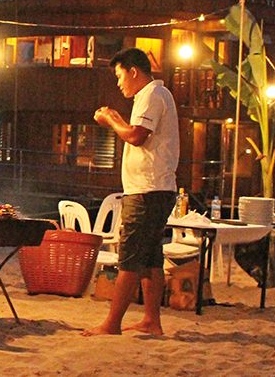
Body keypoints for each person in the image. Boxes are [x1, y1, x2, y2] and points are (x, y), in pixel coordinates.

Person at [83, 47, 178, 337]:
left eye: (119, 75)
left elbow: (137, 136)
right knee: (150, 258)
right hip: (155, 188)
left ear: (133, 71)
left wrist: (111, 120)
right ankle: (152, 320)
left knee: (130, 256)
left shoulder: (152, 95)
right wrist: (117, 118)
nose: (118, 82)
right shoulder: (153, 95)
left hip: (148, 189)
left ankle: (112, 324)